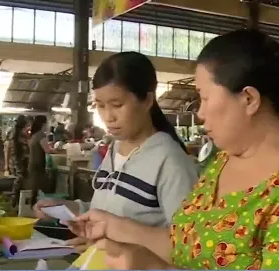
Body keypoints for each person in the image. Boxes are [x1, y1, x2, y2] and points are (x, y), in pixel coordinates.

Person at [73, 29, 279, 270]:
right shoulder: (222, 162)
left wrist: (155, 268)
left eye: (204, 97)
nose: (201, 113)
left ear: (248, 99)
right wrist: (113, 225)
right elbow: (187, 244)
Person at [34, 51, 198, 253]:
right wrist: (71, 209)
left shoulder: (171, 161)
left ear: (147, 101)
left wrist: (119, 246)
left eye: (117, 105)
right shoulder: (115, 148)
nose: (108, 117)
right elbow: (109, 211)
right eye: (100, 106)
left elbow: (189, 245)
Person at [28, 115, 57, 205]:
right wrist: (58, 150)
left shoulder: (33, 135)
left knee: (34, 189)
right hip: (38, 165)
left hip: (32, 163)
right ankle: (37, 208)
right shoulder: (41, 135)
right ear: (43, 124)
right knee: (39, 189)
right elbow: (47, 150)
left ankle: (31, 208)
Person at [5, 115, 29, 207]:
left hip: (20, 161)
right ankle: (14, 201)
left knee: (21, 181)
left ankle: (17, 202)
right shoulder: (15, 134)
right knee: (19, 180)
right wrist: (6, 165)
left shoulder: (22, 134)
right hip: (18, 161)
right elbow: (7, 149)